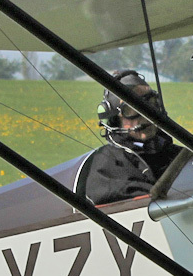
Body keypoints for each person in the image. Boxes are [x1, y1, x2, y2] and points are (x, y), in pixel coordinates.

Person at [77, 70, 181, 205]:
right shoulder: (108, 161)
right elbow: (112, 194)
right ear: (116, 119)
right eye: (132, 109)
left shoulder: (175, 153)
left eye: (151, 104)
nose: (146, 115)